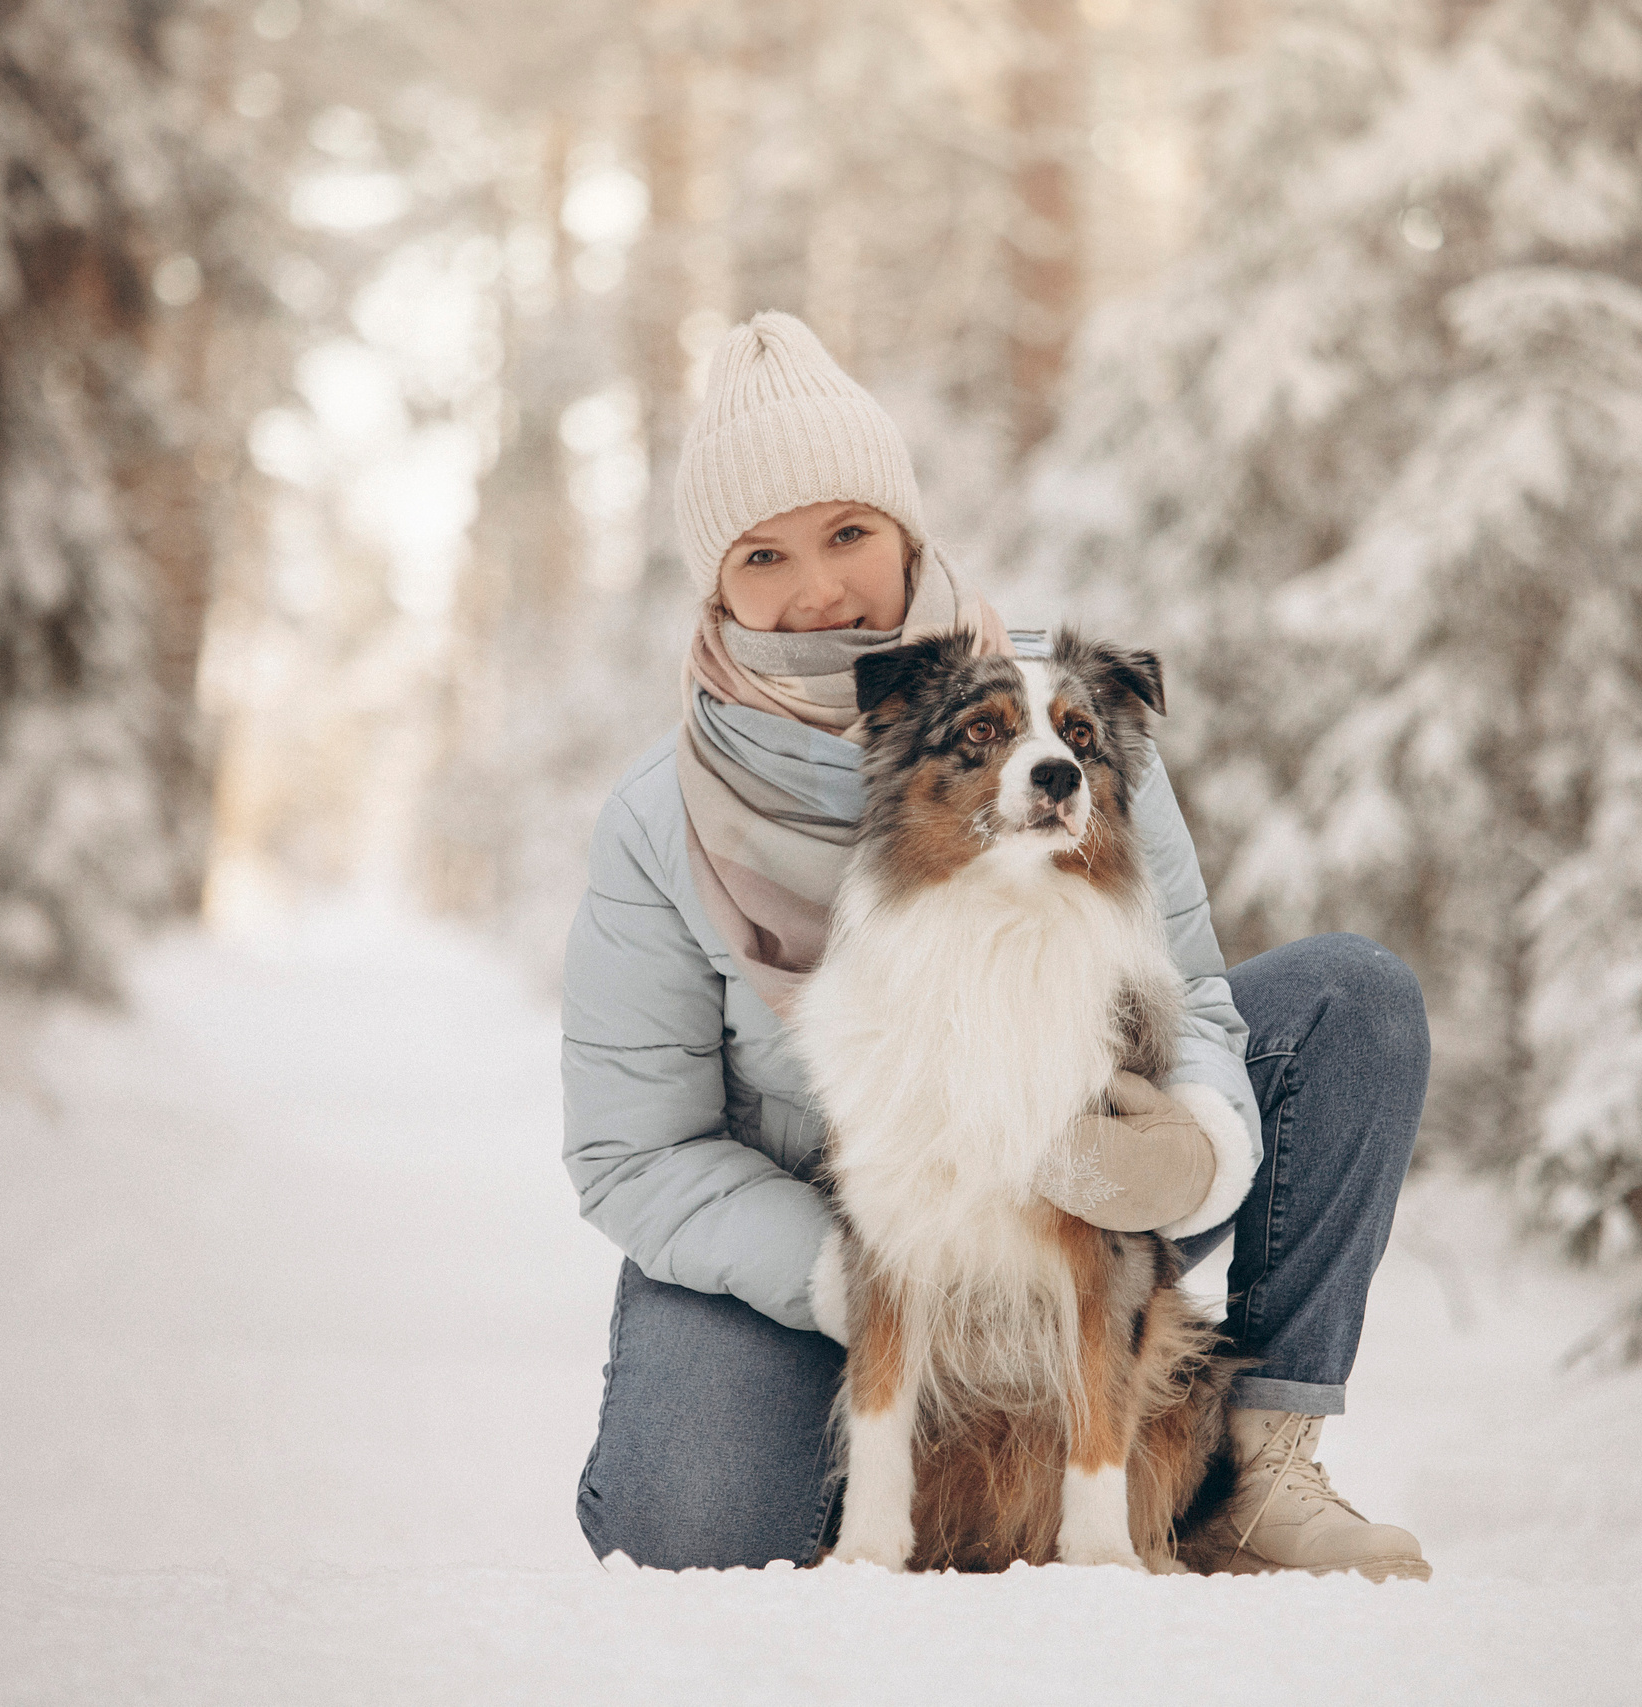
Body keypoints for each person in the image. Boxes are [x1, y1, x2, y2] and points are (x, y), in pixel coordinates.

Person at [563, 311, 1430, 1581]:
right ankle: (920, 1479)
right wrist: (862, 1268)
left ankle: (1251, 1473)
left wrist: (1191, 1151)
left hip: (1067, 1200)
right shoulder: (658, 816)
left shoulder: (1060, 730)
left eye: (849, 532)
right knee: (690, 1526)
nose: (819, 589)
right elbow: (631, 1155)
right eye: (764, 555)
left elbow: (1188, 990)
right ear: (717, 584)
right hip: (828, 1241)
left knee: (1352, 997)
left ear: (906, 532)